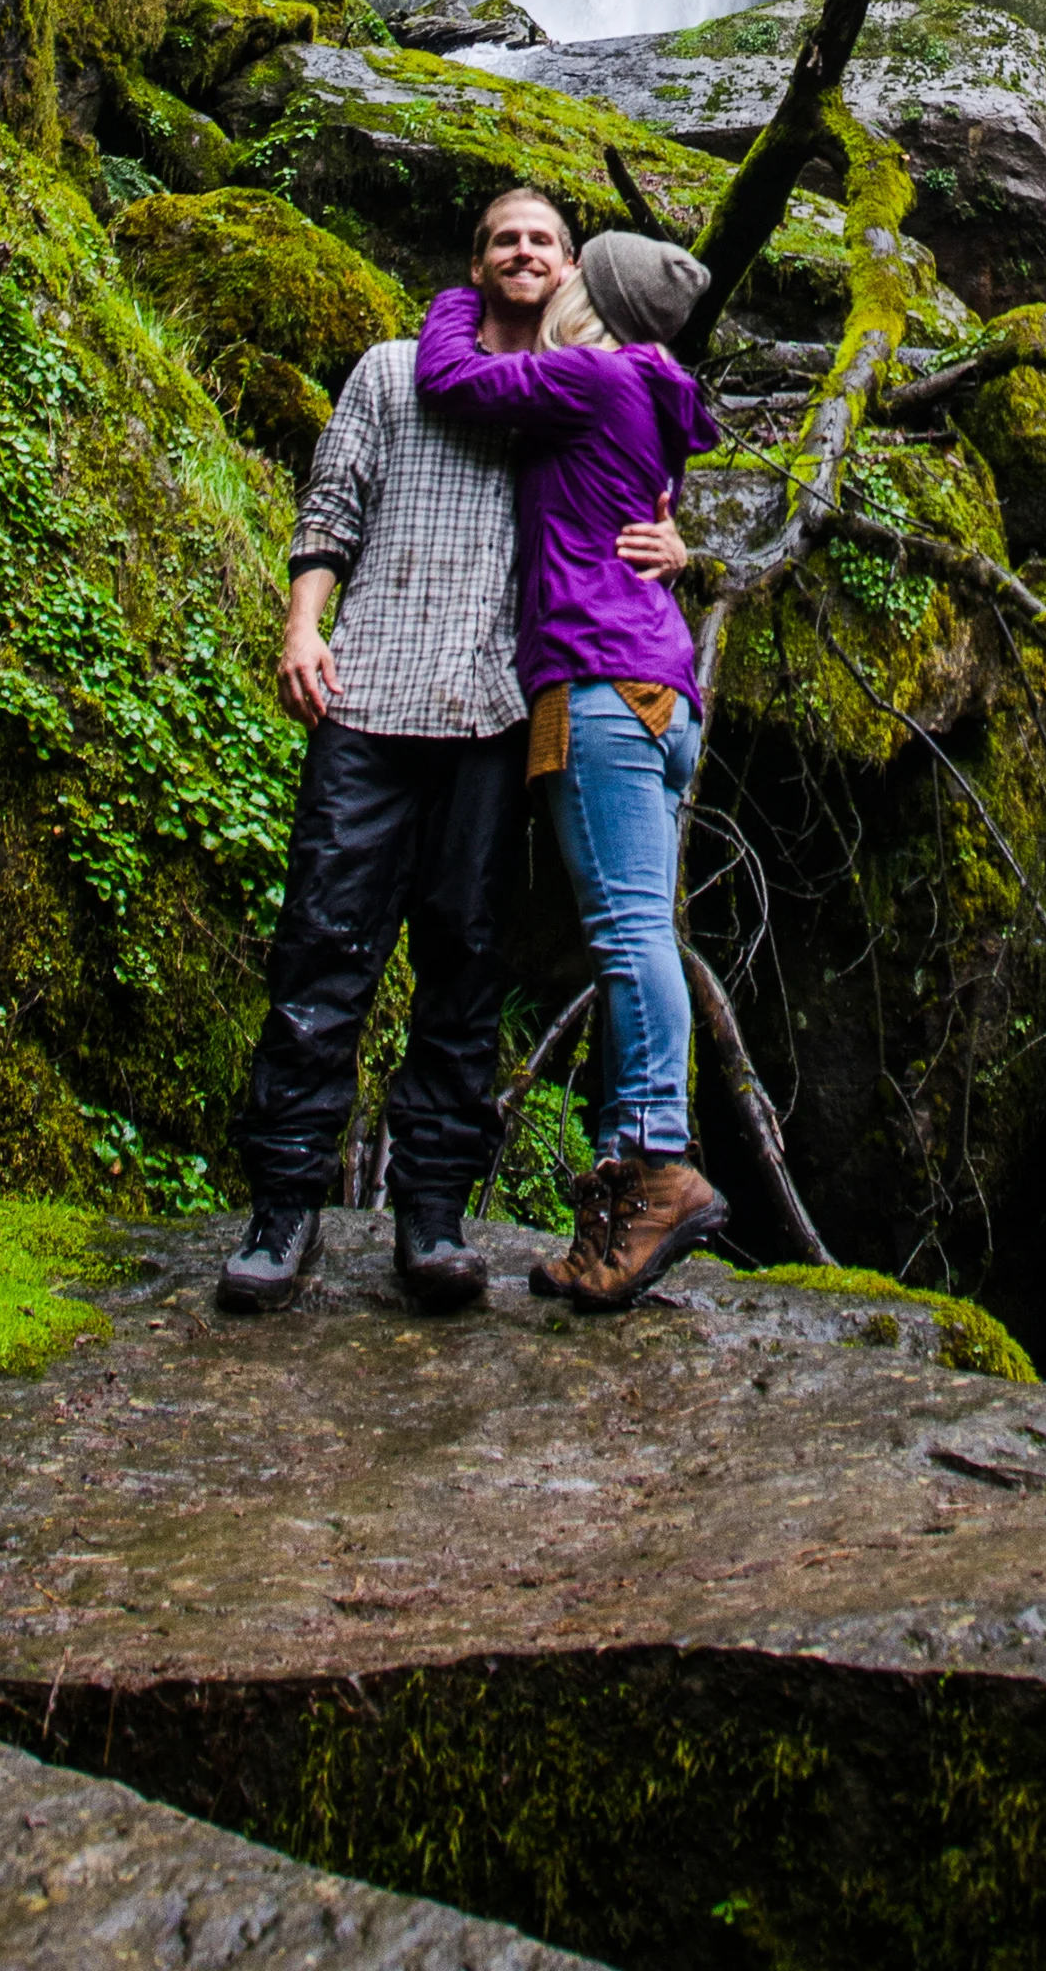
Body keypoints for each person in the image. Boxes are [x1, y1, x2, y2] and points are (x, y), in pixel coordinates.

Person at [218, 188, 685, 1318]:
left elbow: (635, 501)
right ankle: (282, 1214)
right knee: (320, 955)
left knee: (466, 970)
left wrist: (678, 539)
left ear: (571, 270)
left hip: (491, 718)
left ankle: (431, 1215)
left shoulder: (572, 395)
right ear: (474, 263)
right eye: (501, 238)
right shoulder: (392, 370)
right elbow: (330, 504)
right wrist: (300, 625)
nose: (523, 252)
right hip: (368, 696)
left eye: (543, 240)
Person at [413, 228, 726, 1315]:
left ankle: (655, 1162)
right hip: (655, 685)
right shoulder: (652, 388)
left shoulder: (587, 375)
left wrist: (457, 299)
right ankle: (611, 1220)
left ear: (590, 300)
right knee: (632, 933)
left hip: (598, 679)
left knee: (628, 931)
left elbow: (449, 377)